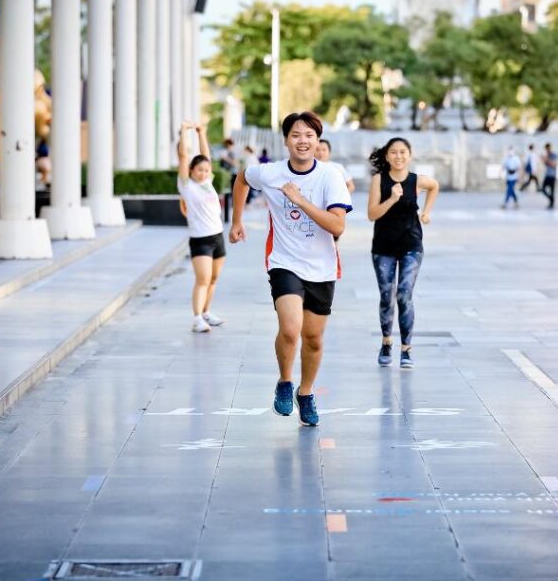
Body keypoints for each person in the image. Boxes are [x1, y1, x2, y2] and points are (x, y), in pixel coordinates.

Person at [228, 111, 352, 427]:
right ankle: (285, 381)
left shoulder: (330, 176)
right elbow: (242, 178)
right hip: (284, 262)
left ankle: (306, 392)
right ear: (286, 140)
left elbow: (338, 225)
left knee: (313, 339)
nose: (302, 141)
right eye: (296, 135)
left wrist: (299, 200)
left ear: (317, 140)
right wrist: (237, 220)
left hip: (322, 267)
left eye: (309, 135)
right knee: (290, 328)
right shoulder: (269, 172)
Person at [367, 137, 439, 369]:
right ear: (387, 156)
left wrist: (426, 212)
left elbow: (434, 186)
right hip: (384, 247)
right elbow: (372, 214)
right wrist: (392, 199)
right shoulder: (379, 180)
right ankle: (387, 342)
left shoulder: (417, 181)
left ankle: (406, 349)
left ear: (410, 155)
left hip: (411, 245)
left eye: (403, 152)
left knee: (404, 294)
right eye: (393, 152)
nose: (398, 156)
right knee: (387, 296)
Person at [177, 121, 227, 333]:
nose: (204, 173)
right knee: (203, 279)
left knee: (214, 279)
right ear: (191, 171)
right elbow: (183, 156)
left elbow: (206, 155)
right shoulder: (187, 185)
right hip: (200, 239)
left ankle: (206, 312)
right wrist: (184, 132)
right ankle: (197, 317)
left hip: (218, 237)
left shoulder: (207, 183)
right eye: (199, 170)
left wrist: (202, 133)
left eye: (206, 170)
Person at [542, 143, 558, 209]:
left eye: (547, 149)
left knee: (552, 191)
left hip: (552, 175)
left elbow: (554, 165)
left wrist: (547, 160)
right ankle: (551, 199)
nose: (547, 150)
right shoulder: (547, 155)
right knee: (543, 189)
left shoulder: (554, 155)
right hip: (547, 175)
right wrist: (544, 160)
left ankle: (551, 204)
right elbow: (546, 165)